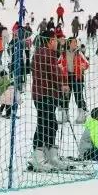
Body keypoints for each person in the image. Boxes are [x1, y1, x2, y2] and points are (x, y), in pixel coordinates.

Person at [30, 34, 69, 171]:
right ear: (50, 41)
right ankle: (38, 156)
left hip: (46, 93)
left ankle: (49, 154)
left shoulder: (43, 53)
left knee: (50, 123)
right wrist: (63, 83)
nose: (58, 43)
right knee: (44, 123)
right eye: (56, 41)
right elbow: (54, 72)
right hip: (44, 94)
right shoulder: (46, 53)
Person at [59, 37, 89, 124]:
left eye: (76, 42)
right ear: (69, 44)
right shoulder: (64, 54)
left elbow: (86, 63)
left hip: (77, 78)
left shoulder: (79, 53)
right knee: (65, 97)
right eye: (73, 42)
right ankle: (65, 115)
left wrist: (83, 66)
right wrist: (61, 67)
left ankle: (82, 115)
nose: (75, 44)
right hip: (67, 78)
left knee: (78, 96)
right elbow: (58, 63)